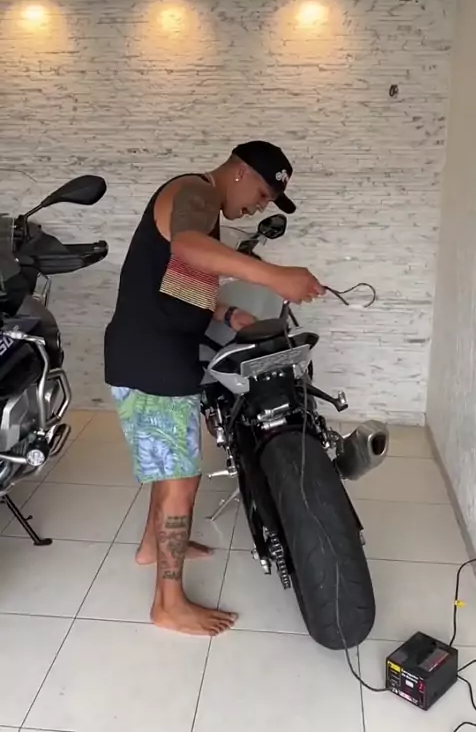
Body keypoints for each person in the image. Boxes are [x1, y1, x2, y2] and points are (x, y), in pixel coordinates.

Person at [104, 140, 325, 637]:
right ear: (240, 172)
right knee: (182, 480)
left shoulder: (203, 208)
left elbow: (180, 287)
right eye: (263, 194)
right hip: (151, 357)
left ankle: (153, 546)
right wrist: (274, 276)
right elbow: (187, 247)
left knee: (171, 467)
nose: (259, 207)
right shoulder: (195, 192)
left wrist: (226, 313)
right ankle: (168, 604)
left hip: (155, 352)